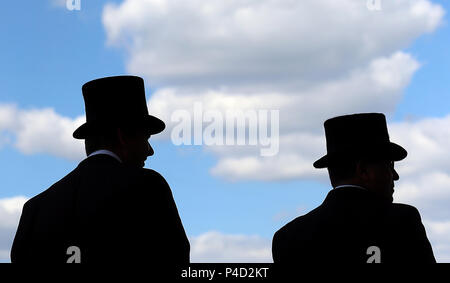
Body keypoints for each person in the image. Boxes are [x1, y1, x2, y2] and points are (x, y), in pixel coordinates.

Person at [11, 76, 190, 264]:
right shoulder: (147, 186)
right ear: (122, 137)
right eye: (146, 138)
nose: (150, 150)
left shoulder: (35, 209)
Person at [272, 113, 435, 263]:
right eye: (389, 165)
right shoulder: (402, 221)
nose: (395, 175)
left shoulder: (288, 237)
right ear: (363, 170)